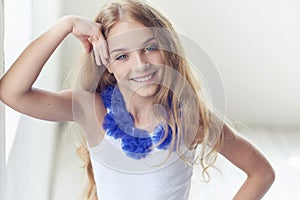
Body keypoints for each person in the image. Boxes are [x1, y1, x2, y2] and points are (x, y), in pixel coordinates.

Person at [0, 0, 275, 199]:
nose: (140, 64)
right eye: (122, 56)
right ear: (106, 63)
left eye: (150, 48)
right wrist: (64, 25)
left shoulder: (190, 119)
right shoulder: (90, 109)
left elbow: (262, 173)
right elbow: (12, 92)